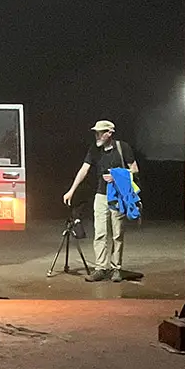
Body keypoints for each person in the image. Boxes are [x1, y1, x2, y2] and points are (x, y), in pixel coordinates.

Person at [61, 119, 139, 281]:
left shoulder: (122, 147)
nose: (97, 135)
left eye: (101, 132)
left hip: (117, 195)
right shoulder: (94, 150)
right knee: (100, 233)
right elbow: (84, 169)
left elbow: (134, 169)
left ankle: (116, 268)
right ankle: (101, 268)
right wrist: (71, 190)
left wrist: (116, 176)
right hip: (101, 195)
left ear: (109, 133)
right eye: (96, 132)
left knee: (117, 233)